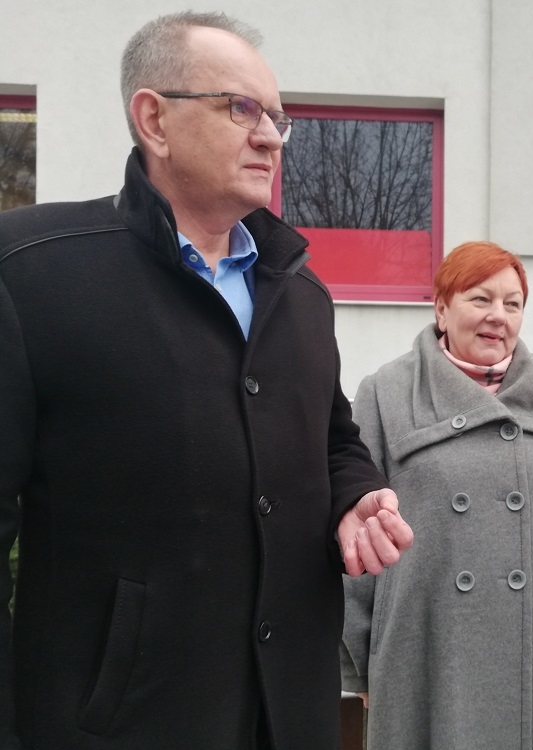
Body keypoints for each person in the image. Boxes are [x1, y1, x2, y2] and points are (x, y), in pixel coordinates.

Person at [0, 11, 413, 750]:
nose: (270, 138)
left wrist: (354, 493)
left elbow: (332, 435)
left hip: (289, 716)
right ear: (154, 119)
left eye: (278, 119)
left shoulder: (301, 293)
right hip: (121, 724)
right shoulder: (34, 272)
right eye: (241, 108)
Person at [340, 241, 533, 749]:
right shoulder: (386, 391)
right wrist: (358, 659)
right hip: (429, 643)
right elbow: (360, 534)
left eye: (513, 304)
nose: (498, 316)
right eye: (480, 299)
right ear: (441, 308)